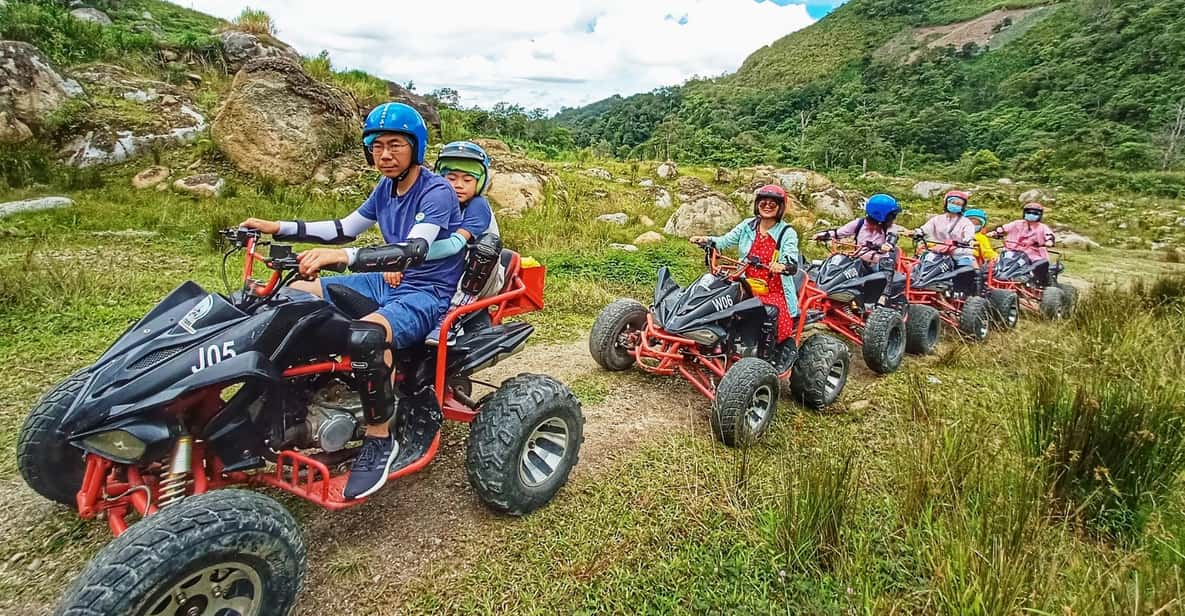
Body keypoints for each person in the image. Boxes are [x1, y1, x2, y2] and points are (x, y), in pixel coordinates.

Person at [238, 102, 463, 500]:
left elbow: (412, 249)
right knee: (290, 297)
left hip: (424, 291)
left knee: (367, 338)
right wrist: (280, 228)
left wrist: (341, 259)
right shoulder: (385, 188)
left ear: (416, 148)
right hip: (383, 282)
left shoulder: (437, 190)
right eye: (376, 146)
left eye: (395, 145)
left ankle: (379, 439)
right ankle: (287, 398)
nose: (385, 154)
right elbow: (344, 228)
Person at [689, 184, 799, 370]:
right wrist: (707, 240)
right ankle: (712, 341)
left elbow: (792, 261)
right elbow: (725, 240)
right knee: (717, 296)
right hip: (744, 281)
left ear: (780, 207)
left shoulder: (786, 233)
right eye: (763, 202)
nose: (767, 205)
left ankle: (764, 362)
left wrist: (782, 266)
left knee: (769, 312)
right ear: (757, 204)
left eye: (773, 203)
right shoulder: (748, 225)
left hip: (772, 287)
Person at [420, 141, 503, 346]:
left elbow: (453, 246)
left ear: (480, 182)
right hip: (443, 270)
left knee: (486, 248)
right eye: (451, 178)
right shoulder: (435, 202)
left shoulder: (478, 206)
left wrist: (407, 255)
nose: (458, 185)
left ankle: (454, 315)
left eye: (467, 179)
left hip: (478, 275)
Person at [813, 193, 907, 307]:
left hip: (877, 263)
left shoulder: (890, 228)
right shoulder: (859, 223)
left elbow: (891, 239)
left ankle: (883, 297)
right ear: (883, 215)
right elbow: (839, 232)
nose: (893, 217)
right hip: (859, 260)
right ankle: (832, 293)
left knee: (886, 265)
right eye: (892, 215)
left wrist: (886, 246)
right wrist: (824, 235)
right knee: (835, 263)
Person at [913, 190, 978, 295]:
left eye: (958, 204)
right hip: (938, 250)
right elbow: (925, 229)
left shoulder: (966, 222)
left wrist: (969, 241)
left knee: (966, 266)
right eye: (953, 203)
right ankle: (919, 281)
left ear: (962, 207)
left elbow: (969, 235)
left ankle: (961, 292)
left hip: (959, 251)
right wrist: (916, 233)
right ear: (946, 203)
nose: (955, 206)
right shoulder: (937, 219)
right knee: (921, 260)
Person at [988, 202, 1055, 286]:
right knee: (994, 262)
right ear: (1024, 213)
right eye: (1029, 212)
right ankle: (996, 276)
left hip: (1033, 254)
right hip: (1012, 251)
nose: (1031, 215)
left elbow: (1049, 236)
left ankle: (1040, 282)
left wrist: (1048, 242)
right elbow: (1004, 228)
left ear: (1040, 215)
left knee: (1041, 264)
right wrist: (995, 233)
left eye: (1035, 213)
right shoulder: (1017, 223)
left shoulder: (1042, 227)